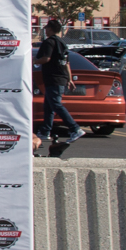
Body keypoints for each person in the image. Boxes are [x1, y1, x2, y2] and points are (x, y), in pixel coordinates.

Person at [36, 19, 81, 156]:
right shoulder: (62, 43)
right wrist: (69, 79)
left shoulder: (49, 42)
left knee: (55, 104)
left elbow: (46, 58)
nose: (45, 30)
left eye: (46, 28)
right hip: (60, 78)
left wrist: (33, 61)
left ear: (50, 29)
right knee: (48, 105)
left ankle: (75, 129)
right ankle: (45, 131)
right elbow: (66, 63)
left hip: (53, 78)